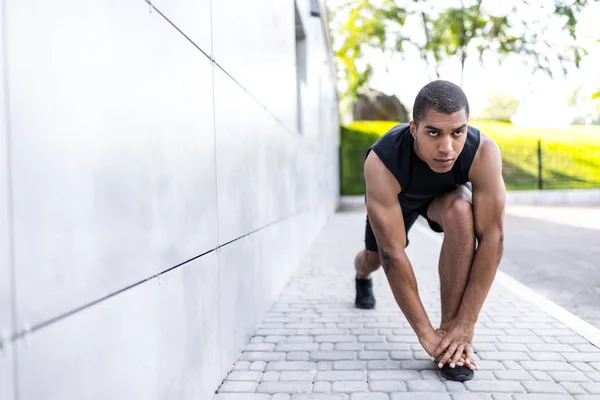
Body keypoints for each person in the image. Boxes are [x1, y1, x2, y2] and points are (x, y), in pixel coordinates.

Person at [353, 80, 506, 382]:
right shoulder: (383, 162)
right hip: (400, 200)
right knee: (371, 258)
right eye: (433, 132)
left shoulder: (483, 153)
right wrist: (425, 335)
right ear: (414, 129)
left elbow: (493, 238)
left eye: (457, 132)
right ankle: (360, 277)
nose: (447, 147)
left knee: (463, 211)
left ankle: (453, 342)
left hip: (444, 200)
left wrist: (466, 323)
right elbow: (392, 255)